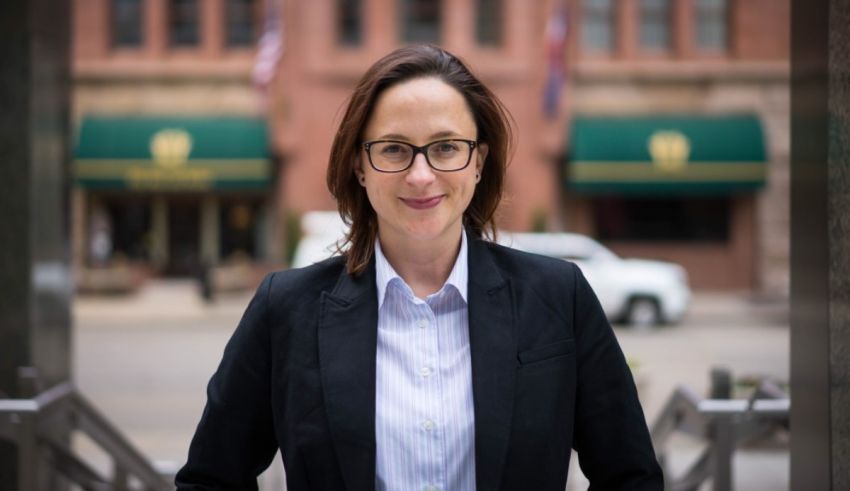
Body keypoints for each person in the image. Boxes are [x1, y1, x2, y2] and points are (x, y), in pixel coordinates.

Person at [176, 45, 663, 491]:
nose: (421, 175)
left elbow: (631, 476)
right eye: (393, 148)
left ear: (478, 161)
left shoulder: (559, 296)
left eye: (446, 147)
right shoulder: (285, 309)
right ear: (360, 166)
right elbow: (211, 479)